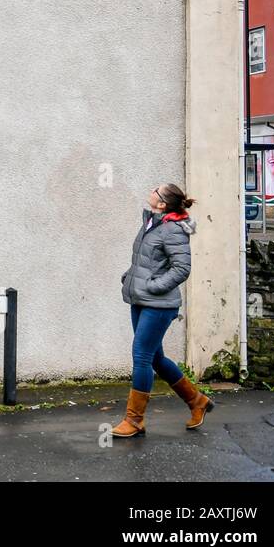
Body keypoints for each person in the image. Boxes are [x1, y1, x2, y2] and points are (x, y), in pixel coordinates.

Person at [112, 183, 214, 437]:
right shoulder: (153, 222)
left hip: (159, 304)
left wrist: (152, 286)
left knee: (142, 355)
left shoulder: (173, 230)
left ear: (162, 204)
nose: (152, 191)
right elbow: (146, 260)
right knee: (155, 358)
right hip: (141, 299)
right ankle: (197, 401)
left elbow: (181, 269)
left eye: (156, 190)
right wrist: (131, 277)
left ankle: (134, 420)